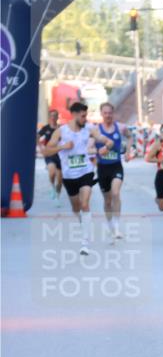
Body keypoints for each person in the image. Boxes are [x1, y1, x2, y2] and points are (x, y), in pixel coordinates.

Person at [41, 101, 115, 255]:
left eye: (86, 115)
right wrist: (62, 147)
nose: (85, 118)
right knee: (76, 207)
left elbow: (106, 139)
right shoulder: (61, 132)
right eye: (82, 116)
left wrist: (106, 146)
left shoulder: (89, 128)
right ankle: (84, 222)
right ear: (74, 115)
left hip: (86, 172)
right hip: (69, 176)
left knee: (85, 203)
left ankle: (85, 243)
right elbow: (46, 151)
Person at [95, 102, 133, 242]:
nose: (108, 115)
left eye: (110, 113)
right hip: (102, 168)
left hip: (116, 166)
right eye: (105, 113)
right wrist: (98, 151)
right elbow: (89, 148)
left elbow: (130, 137)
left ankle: (117, 227)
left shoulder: (120, 127)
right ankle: (110, 225)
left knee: (116, 193)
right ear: (101, 114)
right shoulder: (96, 130)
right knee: (107, 200)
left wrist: (128, 151)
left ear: (113, 113)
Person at [38, 109, 63, 202]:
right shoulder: (46, 128)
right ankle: (52, 187)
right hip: (49, 154)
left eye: (55, 115)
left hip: (60, 155)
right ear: (50, 117)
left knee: (60, 180)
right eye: (51, 115)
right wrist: (40, 147)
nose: (53, 117)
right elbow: (37, 136)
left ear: (57, 117)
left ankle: (57, 196)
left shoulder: (61, 129)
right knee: (52, 172)